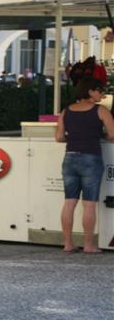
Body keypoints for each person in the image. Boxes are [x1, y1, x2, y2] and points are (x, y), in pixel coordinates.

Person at [55, 77, 114, 253]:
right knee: (89, 204)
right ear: (90, 91)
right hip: (91, 158)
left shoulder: (66, 111)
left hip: (70, 157)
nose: (102, 95)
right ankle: (88, 245)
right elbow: (112, 134)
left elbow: (59, 137)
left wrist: (74, 138)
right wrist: (99, 136)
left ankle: (68, 244)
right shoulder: (101, 110)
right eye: (99, 91)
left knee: (69, 202)